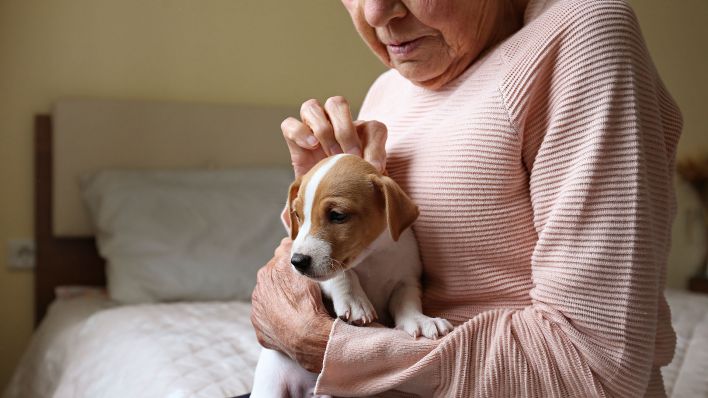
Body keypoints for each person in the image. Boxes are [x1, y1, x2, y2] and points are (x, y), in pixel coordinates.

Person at [250, 0, 682, 396]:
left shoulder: (580, 36)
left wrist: (337, 352)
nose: (377, 12)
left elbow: (598, 370)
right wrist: (311, 186)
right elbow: (356, 264)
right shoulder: (390, 86)